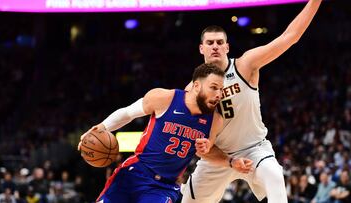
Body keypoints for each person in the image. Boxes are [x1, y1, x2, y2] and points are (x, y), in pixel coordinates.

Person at [181, 0, 323, 203]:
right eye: (210, 43)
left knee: (275, 176)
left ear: (227, 47)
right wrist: (225, 159)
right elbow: (197, 140)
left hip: (254, 148)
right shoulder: (192, 90)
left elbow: (289, 37)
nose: (215, 47)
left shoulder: (244, 65)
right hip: (219, 156)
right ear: (201, 48)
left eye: (220, 42)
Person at [77, 63, 252, 203]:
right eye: (214, 87)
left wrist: (230, 161)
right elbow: (127, 113)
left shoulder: (215, 120)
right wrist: (101, 127)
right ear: (197, 86)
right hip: (135, 172)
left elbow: (206, 152)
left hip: (164, 187)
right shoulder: (165, 98)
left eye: (221, 89)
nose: (219, 94)